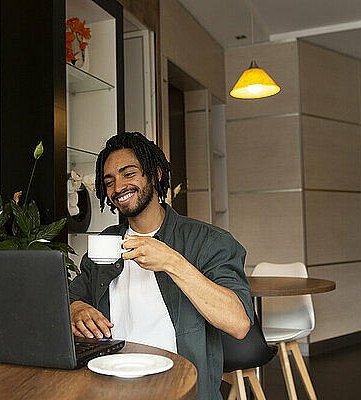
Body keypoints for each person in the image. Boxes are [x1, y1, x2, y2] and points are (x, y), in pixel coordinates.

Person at [68, 132, 253, 400]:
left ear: (154, 175)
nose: (118, 187)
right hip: (109, 384)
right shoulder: (106, 242)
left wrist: (171, 260)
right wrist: (77, 308)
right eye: (109, 181)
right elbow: (71, 297)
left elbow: (239, 323)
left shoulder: (209, 241)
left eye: (128, 174)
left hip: (181, 389)